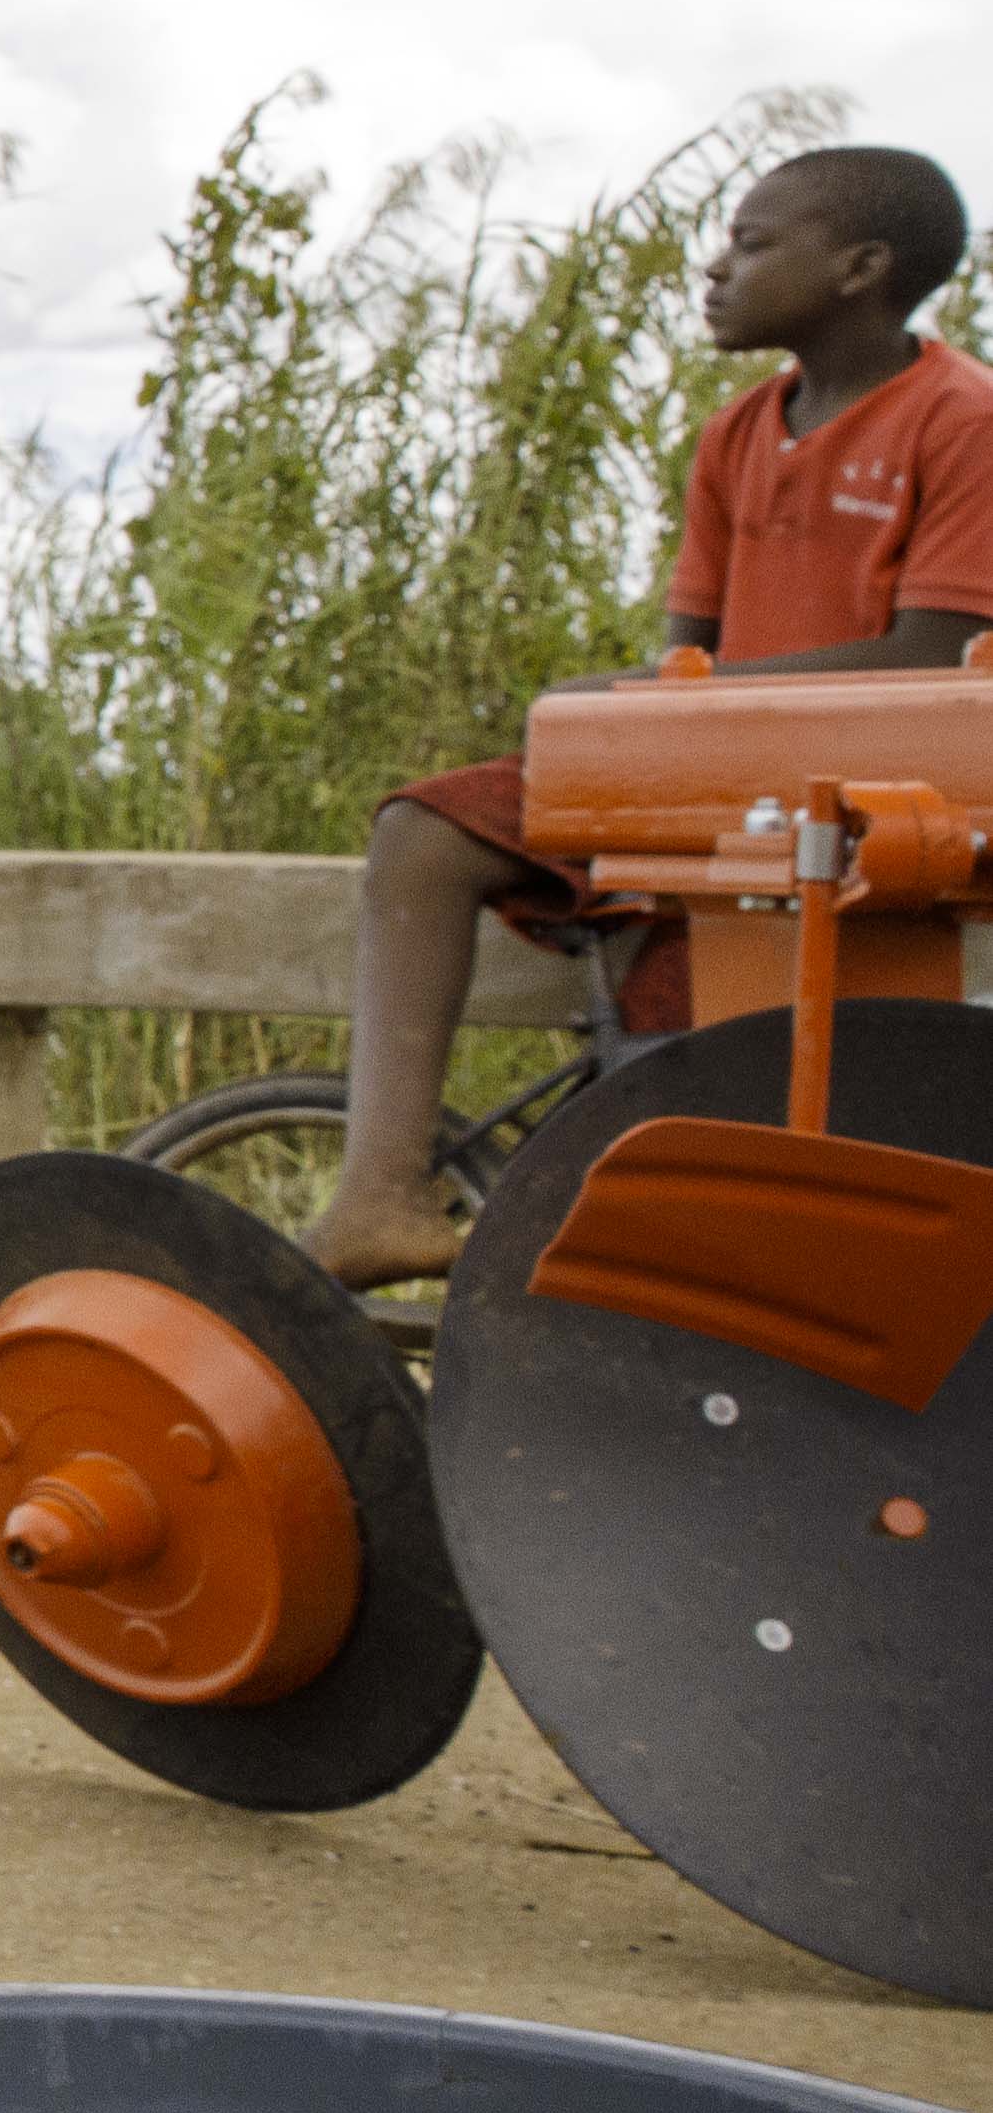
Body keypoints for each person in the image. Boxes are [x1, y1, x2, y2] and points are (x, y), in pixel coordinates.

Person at [305, 144, 993, 1287]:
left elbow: (932, 654)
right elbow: (695, 656)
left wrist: (649, 703)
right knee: (423, 834)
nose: (715, 267)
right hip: (726, 779)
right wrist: (640, 704)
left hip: (880, 791)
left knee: (704, 1055)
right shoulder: (735, 435)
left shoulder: (958, 419)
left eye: (753, 242)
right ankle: (377, 1195)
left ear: (859, 268)